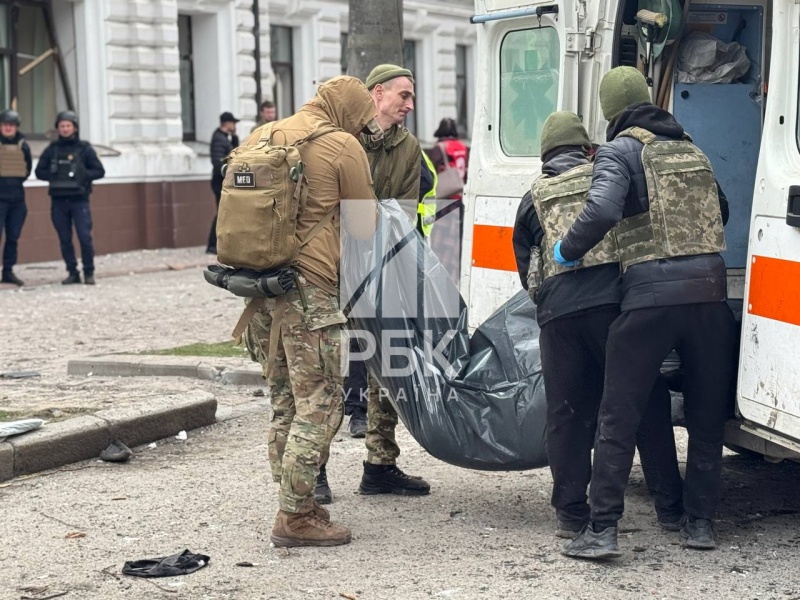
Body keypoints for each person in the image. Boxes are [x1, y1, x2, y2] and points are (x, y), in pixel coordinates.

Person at [557, 67, 737, 559]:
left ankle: (601, 530)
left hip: (650, 300)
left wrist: (566, 251)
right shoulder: (690, 148)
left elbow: (600, 211)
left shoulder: (619, 150)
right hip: (709, 296)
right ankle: (699, 525)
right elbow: (719, 211)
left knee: (618, 414)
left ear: (611, 111)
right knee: (704, 420)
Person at [512, 111, 683, 540]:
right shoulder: (608, 178)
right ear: (588, 149)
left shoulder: (532, 197)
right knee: (644, 404)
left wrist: (552, 304)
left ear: (545, 157)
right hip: (616, 309)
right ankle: (671, 509)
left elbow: (526, 270)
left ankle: (572, 514)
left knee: (566, 415)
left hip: (560, 318)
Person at [241, 76, 379, 547]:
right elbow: (364, 226)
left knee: (284, 400)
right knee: (321, 402)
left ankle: (295, 501)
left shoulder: (262, 135)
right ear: (349, 112)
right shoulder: (341, 145)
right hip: (310, 292)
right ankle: (295, 516)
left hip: (259, 289)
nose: (363, 131)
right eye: (363, 122)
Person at [318, 63, 427, 505]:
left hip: (382, 266)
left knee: (386, 369)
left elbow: (403, 210)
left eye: (412, 97)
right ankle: (315, 469)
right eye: (403, 95)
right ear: (376, 94)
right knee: (325, 373)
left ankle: (379, 466)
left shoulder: (408, 147)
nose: (409, 105)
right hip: (330, 267)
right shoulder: (340, 138)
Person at [35, 110, 105, 285]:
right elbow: (39, 172)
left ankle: (89, 271)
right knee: (64, 238)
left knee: (84, 237)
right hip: (59, 200)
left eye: (68, 126)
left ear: (74, 128)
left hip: (79, 199)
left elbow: (99, 171)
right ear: (57, 128)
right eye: (62, 126)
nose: (65, 129)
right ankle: (72, 271)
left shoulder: (84, 149)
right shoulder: (52, 150)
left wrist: (84, 174)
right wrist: (53, 173)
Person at [0, 109, 32, 286]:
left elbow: (27, 170)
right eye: (5, 125)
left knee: (13, 237)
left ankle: (8, 271)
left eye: (11, 125)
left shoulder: (23, 146)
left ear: (16, 127)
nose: (8, 128)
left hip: (17, 199)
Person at [207, 111, 239, 254]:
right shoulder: (218, 138)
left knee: (226, 212)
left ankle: (222, 244)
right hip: (219, 180)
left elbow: (235, 154)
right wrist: (229, 170)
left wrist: (235, 137)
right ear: (227, 123)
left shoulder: (225, 137)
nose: (235, 125)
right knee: (222, 212)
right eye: (233, 123)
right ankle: (212, 245)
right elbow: (218, 161)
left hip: (225, 179)